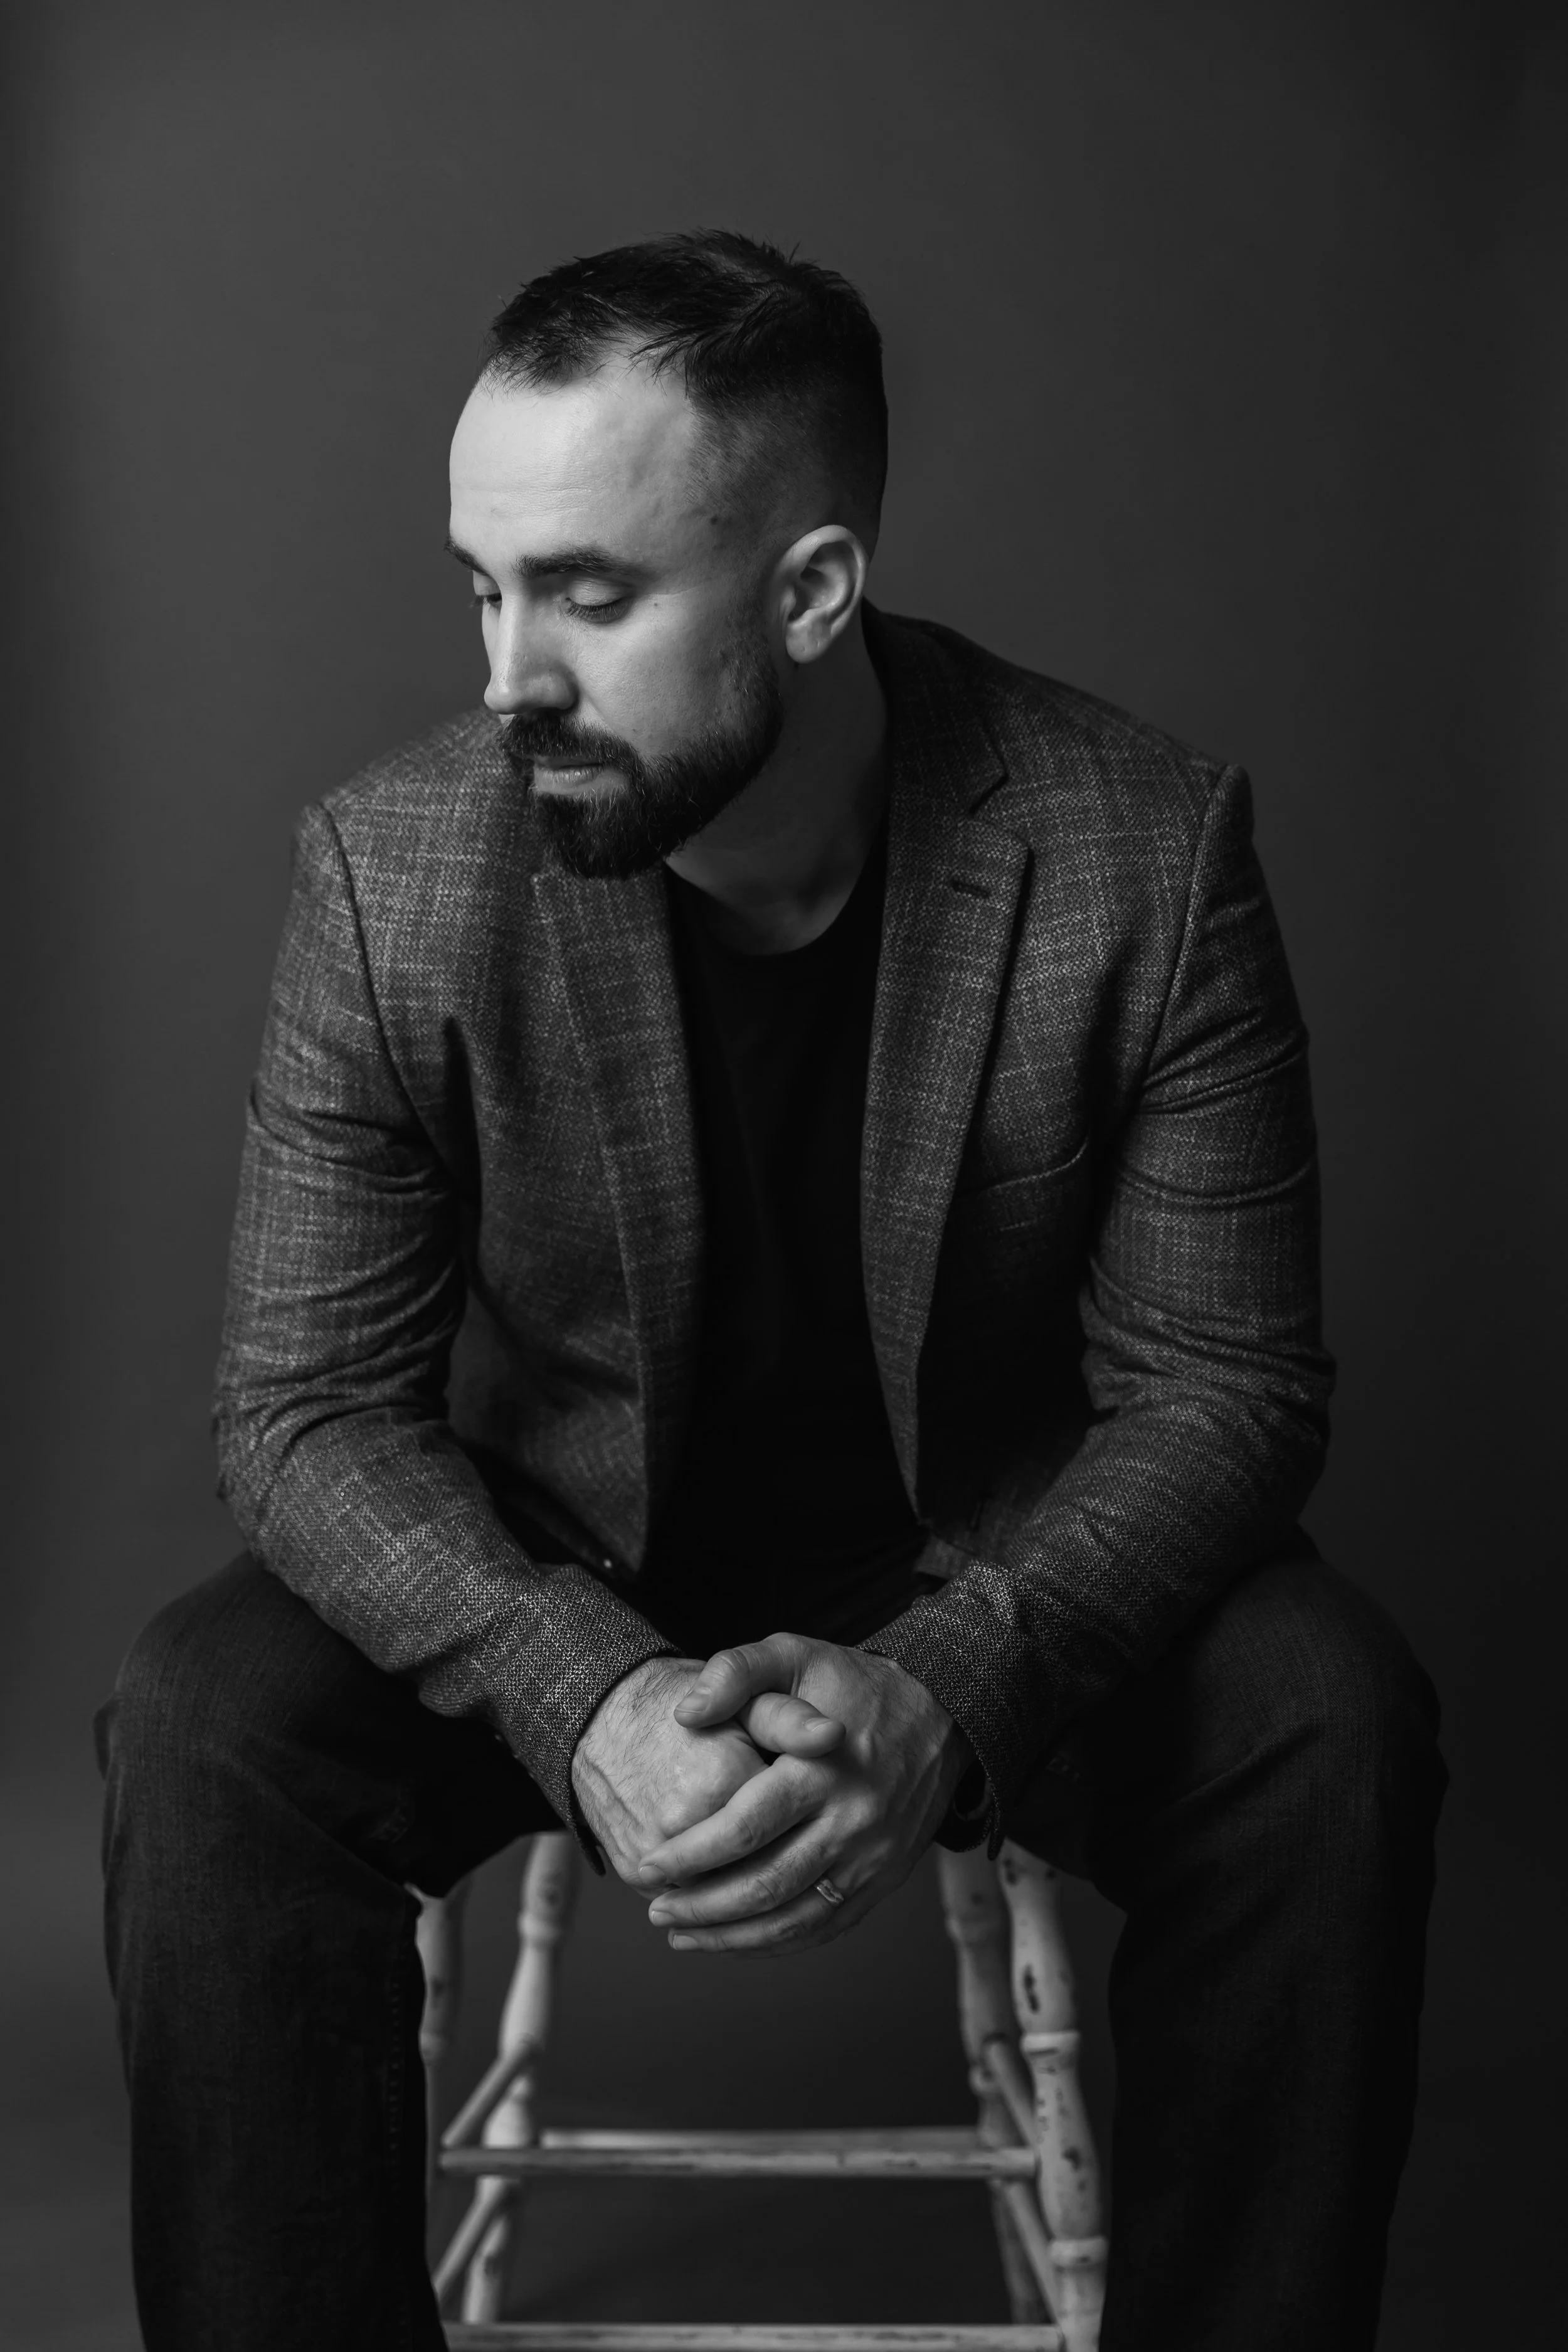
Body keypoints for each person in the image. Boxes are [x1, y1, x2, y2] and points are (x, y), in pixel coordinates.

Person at [97, 230, 1444, 2351]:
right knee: (200, 1720)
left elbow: (1226, 1384)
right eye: (483, 583)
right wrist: (580, 1688)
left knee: (1326, 1713)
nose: (503, 675)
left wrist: (961, 1676)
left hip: (983, 1550)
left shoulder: (1138, 845)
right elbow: (301, 1409)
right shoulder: (395, 868)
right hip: (557, 1552)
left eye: (592, 595)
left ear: (810, 592)